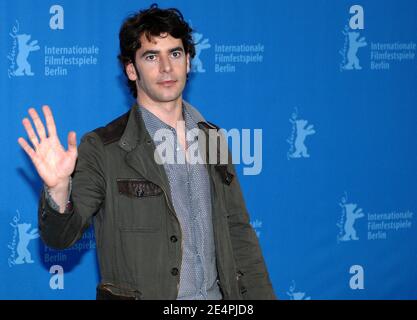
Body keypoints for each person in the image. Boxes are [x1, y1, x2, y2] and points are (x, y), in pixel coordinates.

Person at [18, 4, 276, 300]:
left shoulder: (212, 137)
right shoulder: (103, 147)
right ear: (131, 69)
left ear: (188, 62)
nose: (166, 67)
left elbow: (238, 232)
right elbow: (61, 237)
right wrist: (59, 187)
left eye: (175, 53)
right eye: (151, 56)